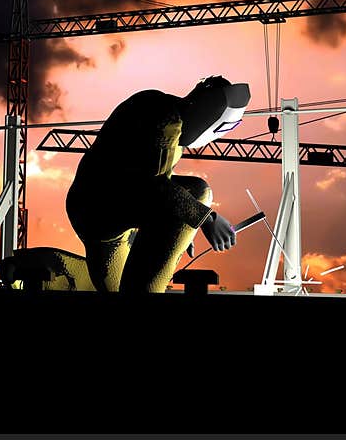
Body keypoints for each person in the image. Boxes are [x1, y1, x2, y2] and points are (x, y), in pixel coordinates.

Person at [65, 75, 250, 293]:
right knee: (198, 191)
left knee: (113, 286)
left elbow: (155, 179)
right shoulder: (165, 119)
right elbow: (151, 185)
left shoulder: (165, 112)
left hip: (99, 203)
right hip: (100, 206)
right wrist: (207, 218)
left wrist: (181, 232)